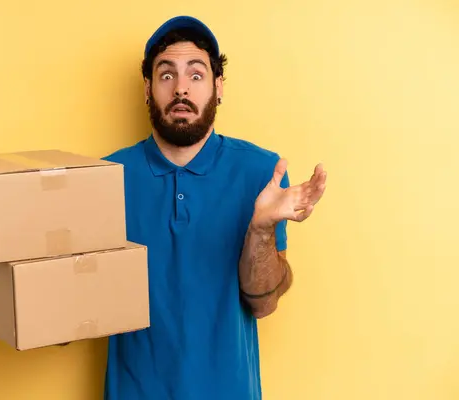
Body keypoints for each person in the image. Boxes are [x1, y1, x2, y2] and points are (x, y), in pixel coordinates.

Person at [101, 15, 327, 400]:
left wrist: (261, 228)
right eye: (166, 75)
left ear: (218, 87)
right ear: (147, 88)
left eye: (196, 74)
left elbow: (264, 304)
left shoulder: (262, 173)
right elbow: (77, 308)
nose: (181, 88)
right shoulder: (104, 178)